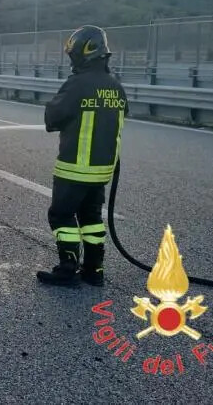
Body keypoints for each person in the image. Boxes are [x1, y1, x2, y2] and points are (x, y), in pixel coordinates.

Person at [36, 25, 129, 287]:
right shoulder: (116, 87)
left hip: (74, 168)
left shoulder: (77, 84)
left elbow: (53, 118)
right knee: (91, 218)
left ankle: (67, 268)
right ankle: (94, 270)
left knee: (61, 215)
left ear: (84, 54)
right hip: (102, 170)